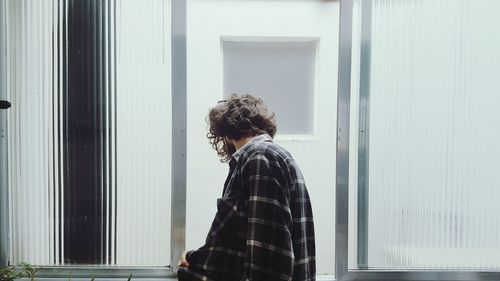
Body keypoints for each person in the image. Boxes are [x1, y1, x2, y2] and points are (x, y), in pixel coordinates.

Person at [177, 94, 315, 281]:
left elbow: (267, 257)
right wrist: (194, 257)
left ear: (225, 133)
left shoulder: (259, 156)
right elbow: (239, 245)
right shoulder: (267, 156)